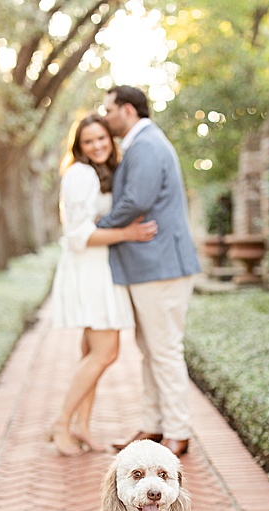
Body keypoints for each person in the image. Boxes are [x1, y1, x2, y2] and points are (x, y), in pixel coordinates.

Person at [96, 85, 201, 458]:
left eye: (108, 110)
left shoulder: (147, 146)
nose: (106, 118)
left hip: (161, 266)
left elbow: (135, 201)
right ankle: (154, 425)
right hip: (151, 266)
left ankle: (177, 431)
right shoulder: (143, 144)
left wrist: (99, 225)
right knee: (150, 349)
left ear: (127, 110)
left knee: (164, 350)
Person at [48, 114, 157, 457]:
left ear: (110, 140)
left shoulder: (101, 173)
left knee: (91, 352)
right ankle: (61, 423)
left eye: (101, 139)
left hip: (101, 267)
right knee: (105, 352)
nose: (96, 146)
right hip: (89, 270)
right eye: (88, 141)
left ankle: (81, 425)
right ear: (79, 147)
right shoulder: (80, 174)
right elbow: (78, 235)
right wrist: (127, 233)